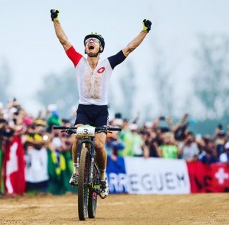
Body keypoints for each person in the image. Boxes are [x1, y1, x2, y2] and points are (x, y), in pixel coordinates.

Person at [50, 9, 152, 198]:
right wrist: (55, 20)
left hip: (101, 111)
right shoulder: (79, 62)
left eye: (94, 41)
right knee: (78, 137)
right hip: (83, 110)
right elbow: (64, 41)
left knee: (98, 146)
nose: (91, 42)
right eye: (88, 40)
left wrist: (144, 31)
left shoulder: (109, 63)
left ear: (101, 48)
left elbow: (129, 48)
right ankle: (76, 171)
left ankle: (103, 178)